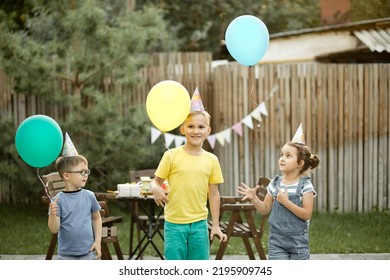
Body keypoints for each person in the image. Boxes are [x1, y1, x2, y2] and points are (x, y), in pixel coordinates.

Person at [150, 88, 227, 260]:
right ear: (182, 129)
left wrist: (215, 224)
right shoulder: (171, 156)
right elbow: (155, 182)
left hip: (199, 225)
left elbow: (214, 194)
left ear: (208, 130)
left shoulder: (212, 160)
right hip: (174, 224)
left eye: (201, 127)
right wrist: (154, 188)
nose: (196, 131)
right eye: (191, 126)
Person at [238, 124, 320, 260]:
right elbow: (264, 210)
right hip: (277, 241)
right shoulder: (275, 183)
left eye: (288, 156)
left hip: (298, 241)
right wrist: (254, 199)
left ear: (300, 163)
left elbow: (306, 214)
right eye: (281, 155)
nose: (282, 158)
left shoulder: (306, 186)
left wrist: (286, 202)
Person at [48, 133, 102, 260]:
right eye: (81, 172)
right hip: (66, 256)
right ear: (66, 176)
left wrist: (98, 241)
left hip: (88, 253)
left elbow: (97, 218)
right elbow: (54, 229)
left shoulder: (89, 196)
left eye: (87, 171)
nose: (86, 175)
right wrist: (53, 214)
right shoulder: (57, 200)